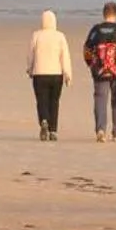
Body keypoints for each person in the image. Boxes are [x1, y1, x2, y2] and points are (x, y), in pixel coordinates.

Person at [84, 1, 116, 141]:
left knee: (100, 100)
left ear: (104, 13)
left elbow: (87, 50)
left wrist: (91, 64)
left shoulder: (96, 30)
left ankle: (101, 129)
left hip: (100, 72)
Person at [26, 10, 72, 140]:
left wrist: (29, 68)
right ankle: (53, 130)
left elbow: (31, 55)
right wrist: (68, 74)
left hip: (39, 73)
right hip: (56, 74)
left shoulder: (36, 35)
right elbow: (65, 56)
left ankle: (44, 120)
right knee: (54, 102)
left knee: (41, 101)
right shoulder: (60, 36)